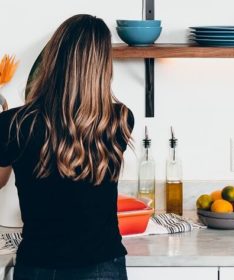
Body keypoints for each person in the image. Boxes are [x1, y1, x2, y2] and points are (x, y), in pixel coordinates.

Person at [0, 14, 134, 280]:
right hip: (102, 267)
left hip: (38, 266)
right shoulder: (119, 120)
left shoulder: (13, 123)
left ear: (52, 59)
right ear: (103, 67)